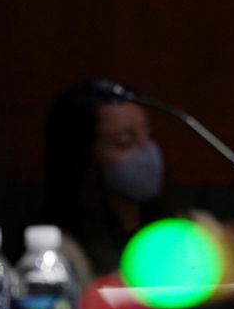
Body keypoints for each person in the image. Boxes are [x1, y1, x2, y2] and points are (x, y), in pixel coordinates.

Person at [43, 79, 175, 284]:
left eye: (149, 135)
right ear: (84, 157)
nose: (147, 152)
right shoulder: (61, 254)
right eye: (125, 142)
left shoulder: (194, 228)